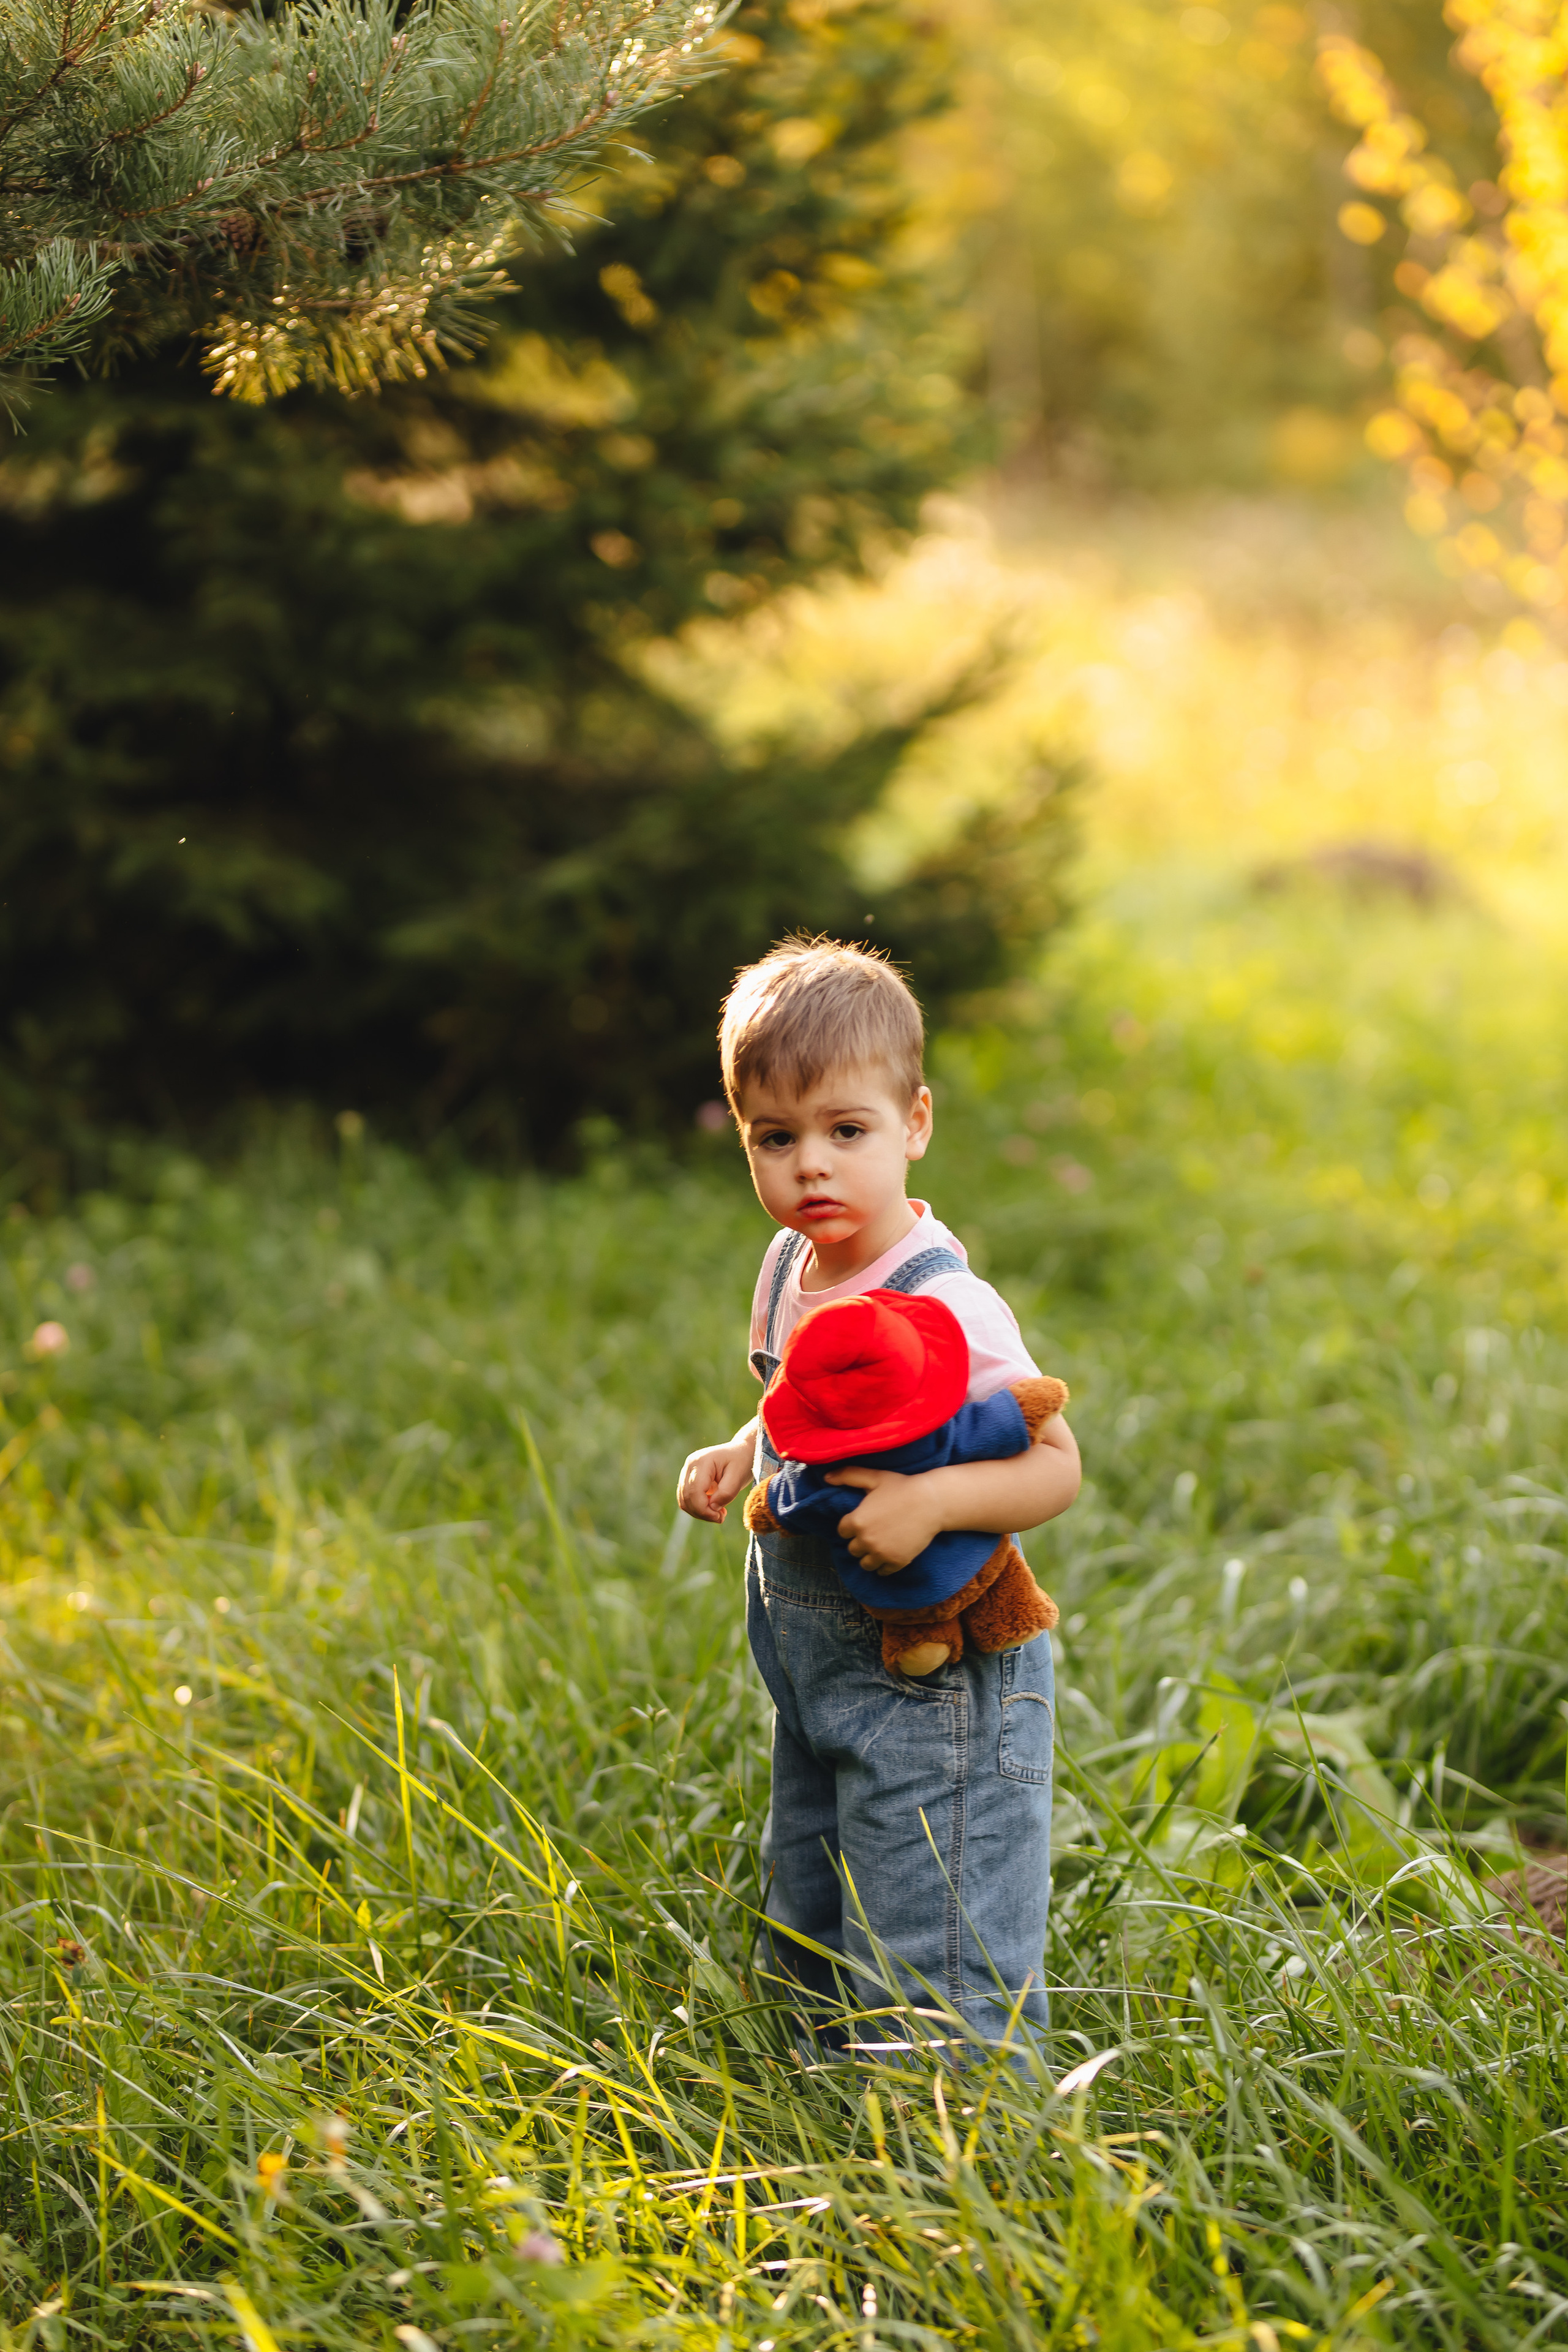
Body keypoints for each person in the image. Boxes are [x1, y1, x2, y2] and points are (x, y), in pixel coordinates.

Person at [676, 936, 1080, 2063]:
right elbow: (815, 1405)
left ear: (915, 1124)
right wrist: (747, 1444)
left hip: (938, 1675)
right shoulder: (790, 1265)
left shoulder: (945, 1301)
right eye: (776, 1138)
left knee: (933, 1933)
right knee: (813, 1894)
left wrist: (936, 1501)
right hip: (815, 1663)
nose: (811, 1167)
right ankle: (816, 2097)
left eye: (846, 1131)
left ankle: (963, 2138)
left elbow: (1056, 1464)